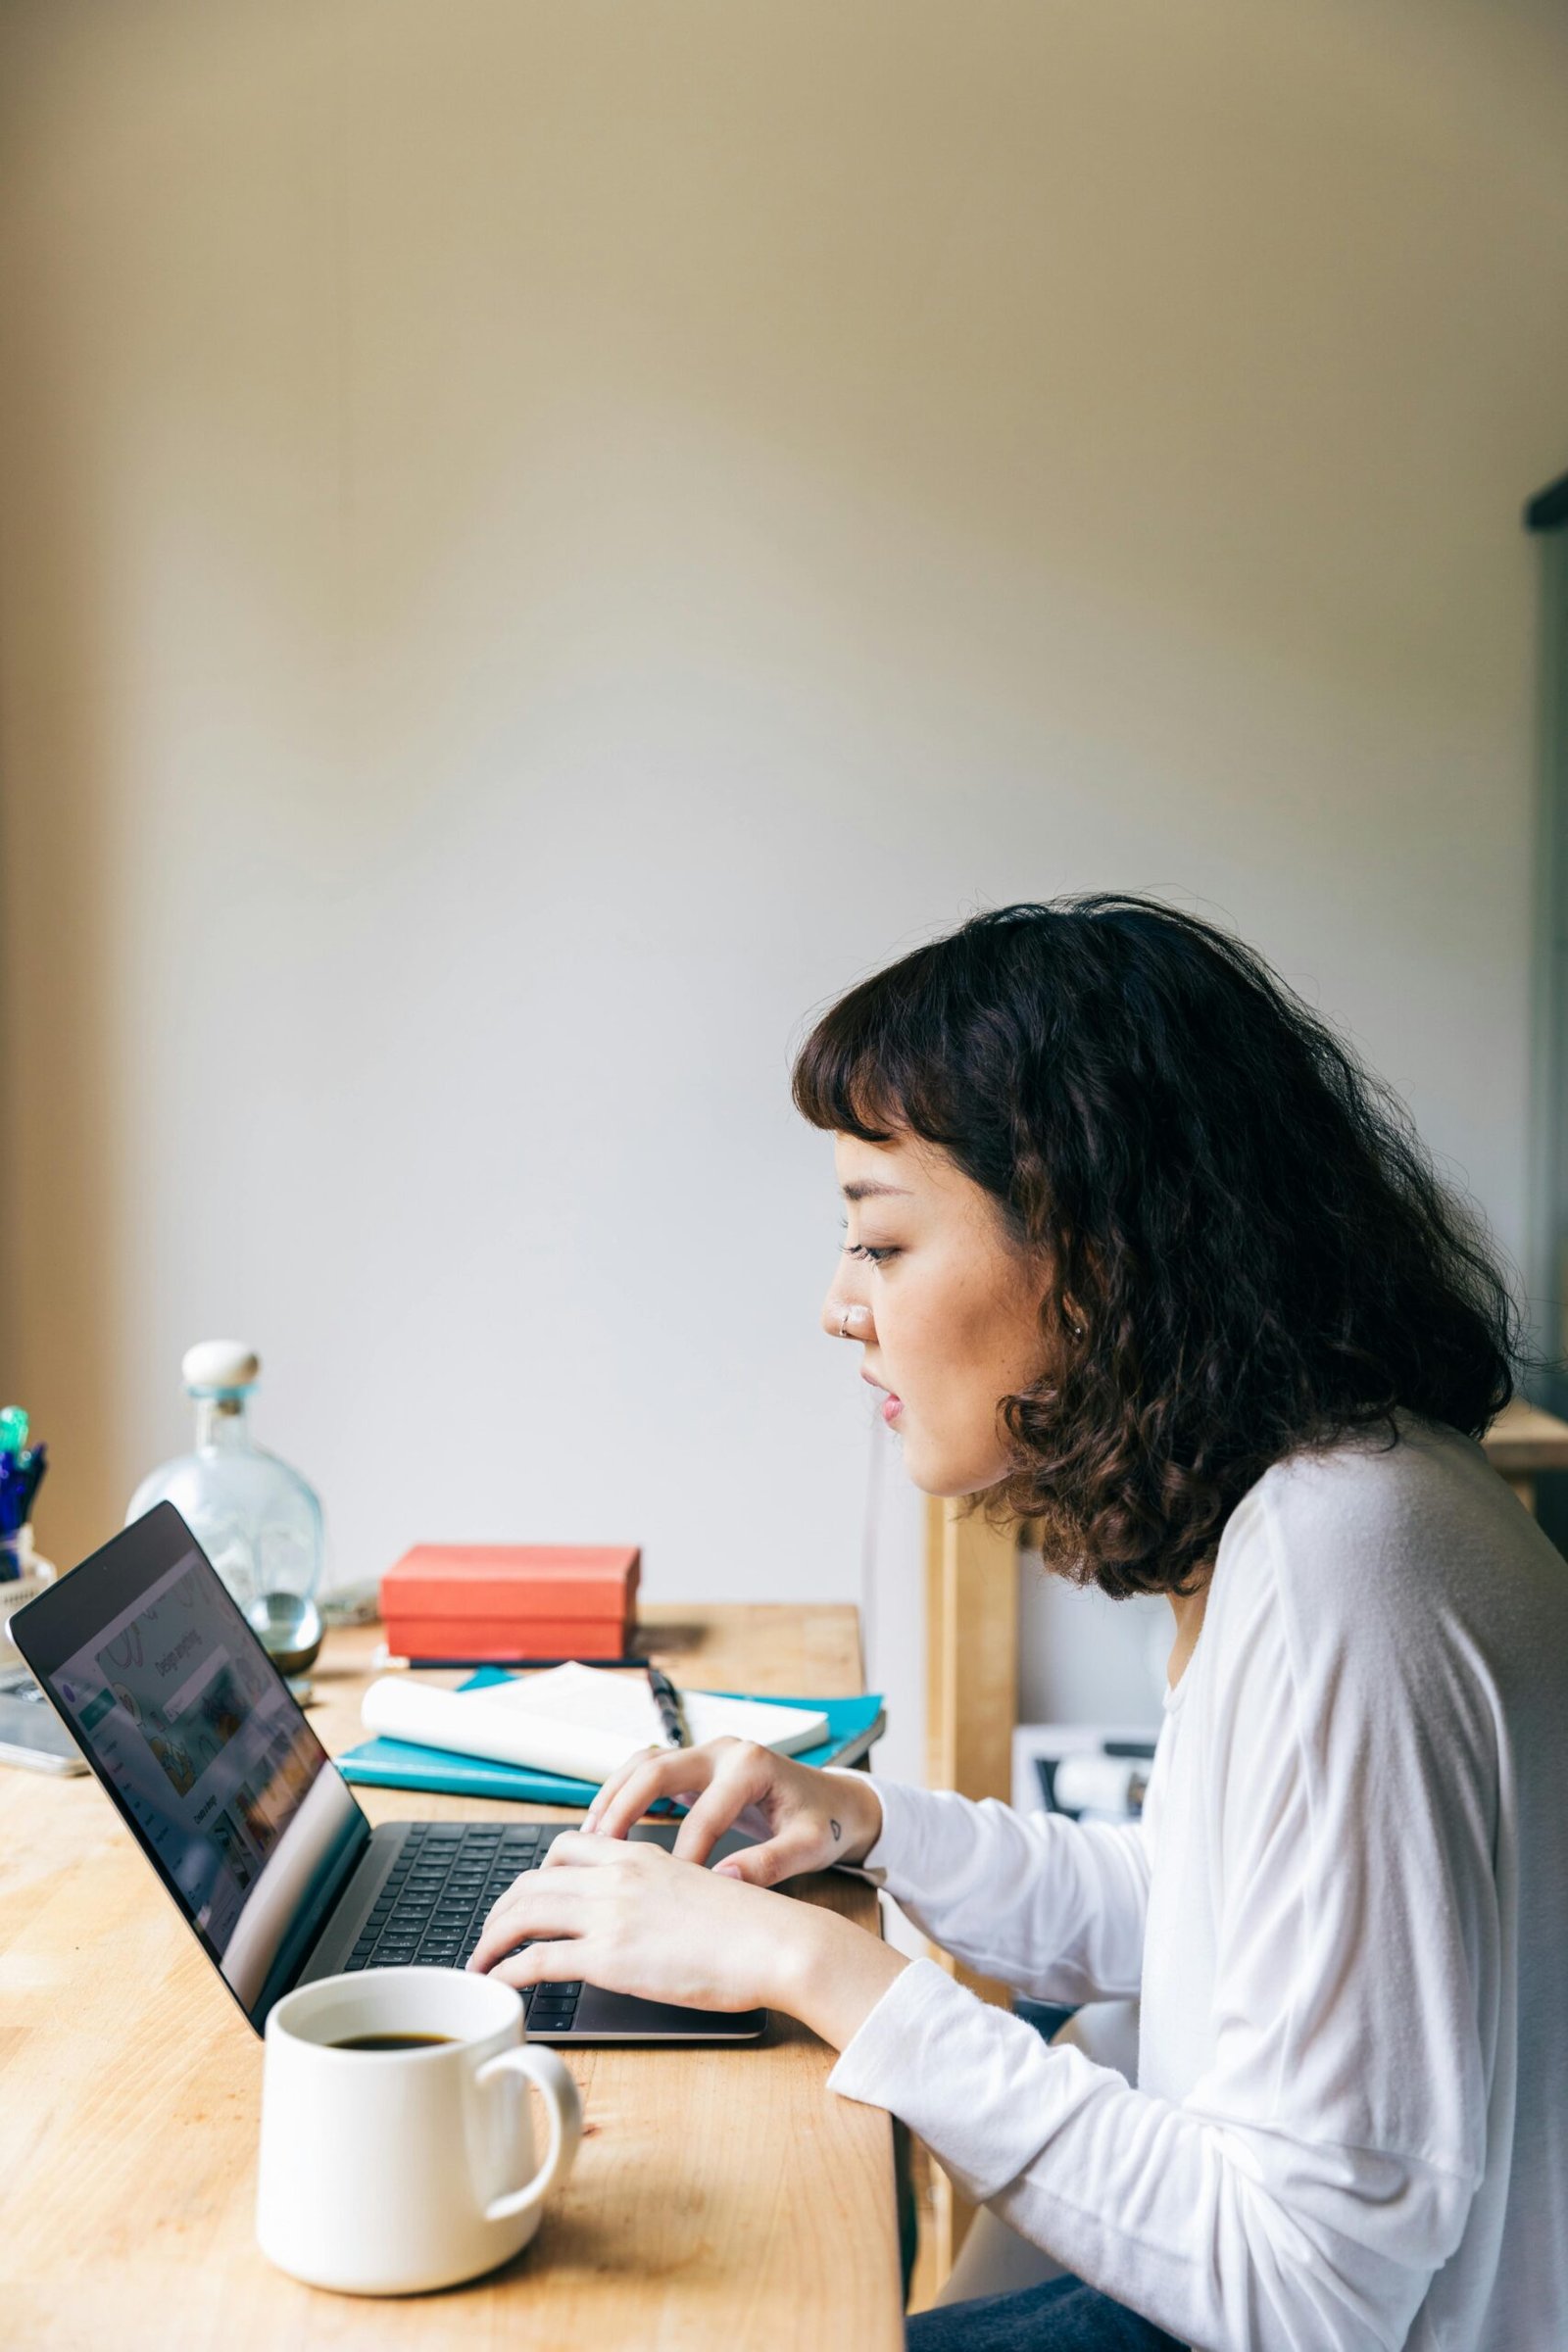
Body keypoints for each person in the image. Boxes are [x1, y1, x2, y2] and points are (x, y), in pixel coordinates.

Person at [469, 897, 1568, 2351]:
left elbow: (1310, 2291)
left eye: (882, 1242)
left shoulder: (1345, 1562)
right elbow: (1201, 1914)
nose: (839, 1307)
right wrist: (868, 1824)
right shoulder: (1351, 1493)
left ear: (1098, 1248)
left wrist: (814, 1969)